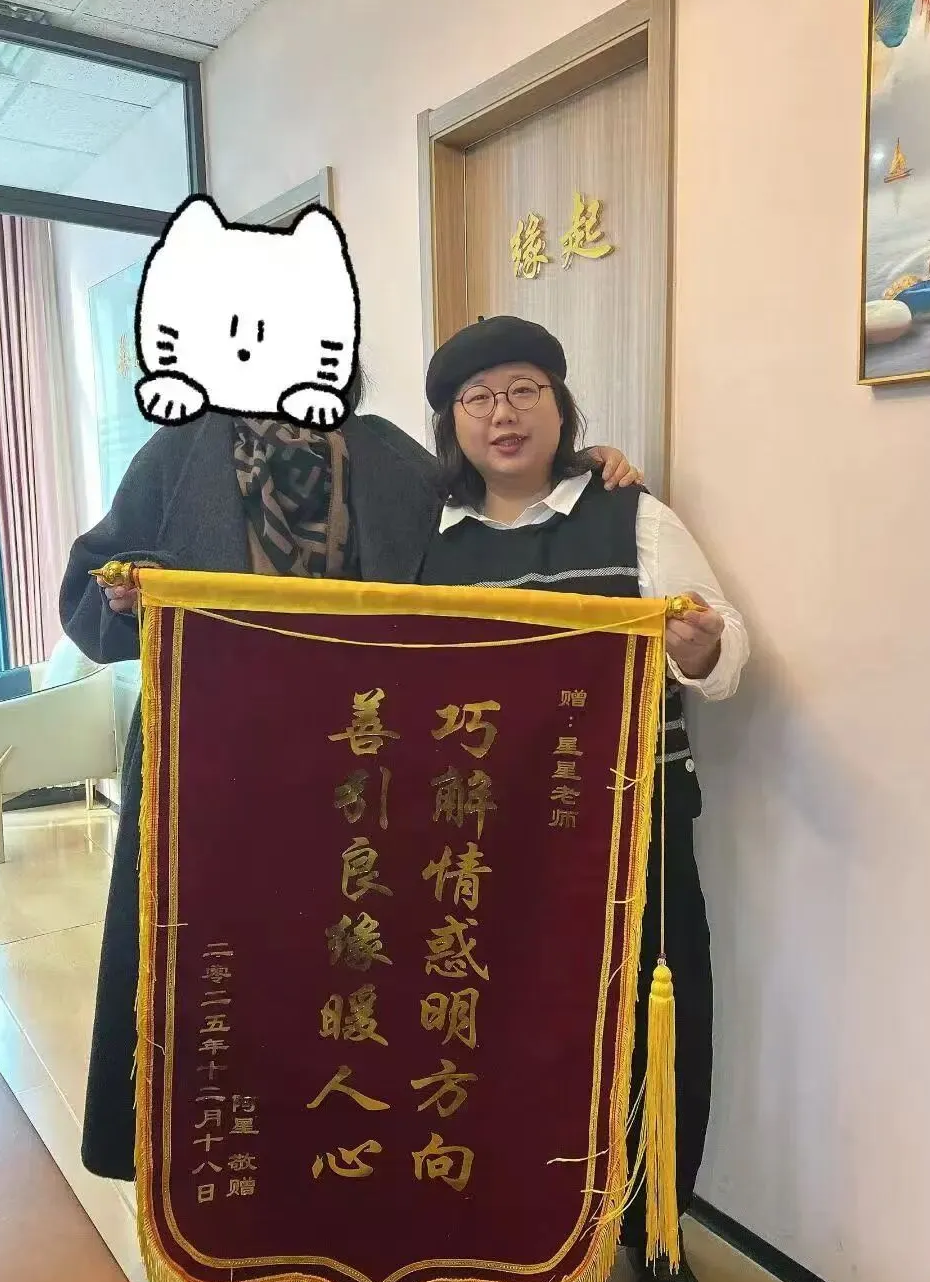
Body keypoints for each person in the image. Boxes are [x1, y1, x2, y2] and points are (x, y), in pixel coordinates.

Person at [59, 365, 641, 1187]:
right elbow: (91, 588)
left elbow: (492, 502)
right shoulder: (180, 452)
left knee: (342, 982)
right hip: (209, 771)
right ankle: (222, 1188)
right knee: (217, 980)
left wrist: (584, 465)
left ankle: (334, 1182)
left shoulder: (386, 454)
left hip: (358, 774)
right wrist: (127, 593)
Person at [418, 315, 749, 1282]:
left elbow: (729, 655)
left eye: (525, 389)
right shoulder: (423, 540)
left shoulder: (630, 515)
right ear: (452, 423)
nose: (503, 414)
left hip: (634, 832)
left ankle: (660, 1243)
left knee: (654, 1032)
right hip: (486, 845)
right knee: (497, 1032)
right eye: (477, 398)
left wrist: (699, 645)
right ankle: (508, 1224)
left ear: (561, 407)